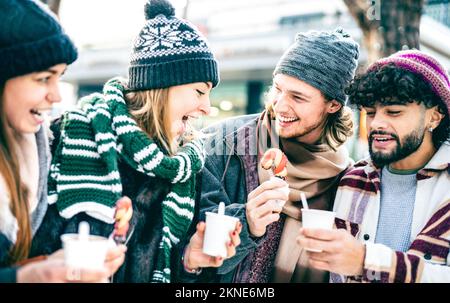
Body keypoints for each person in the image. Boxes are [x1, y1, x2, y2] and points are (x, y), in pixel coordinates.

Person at [31, 0, 241, 283]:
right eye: (199, 91)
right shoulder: (71, 136)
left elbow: (171, 272)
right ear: (162, 87)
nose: (207, 107)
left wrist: (189, 259)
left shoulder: (186, 169)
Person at [182, 29, 360, 283]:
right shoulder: (221, 144)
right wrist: (247, 223)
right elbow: (186, 250)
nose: (280, 105)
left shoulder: (347, 178)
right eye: (278, 89)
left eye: (298, 97)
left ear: (333, 105)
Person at [297, 50, 450, 283]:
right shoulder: (353, 180)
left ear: (434, 117)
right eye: (370, 113)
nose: (376, 123)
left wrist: (365, 260)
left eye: (394, 112)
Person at [0, 0, 125, 282]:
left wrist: (49, 264)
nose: (57, 96)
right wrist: (32, 276)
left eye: (60, 77)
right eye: (43, 78)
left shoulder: (30, 154)